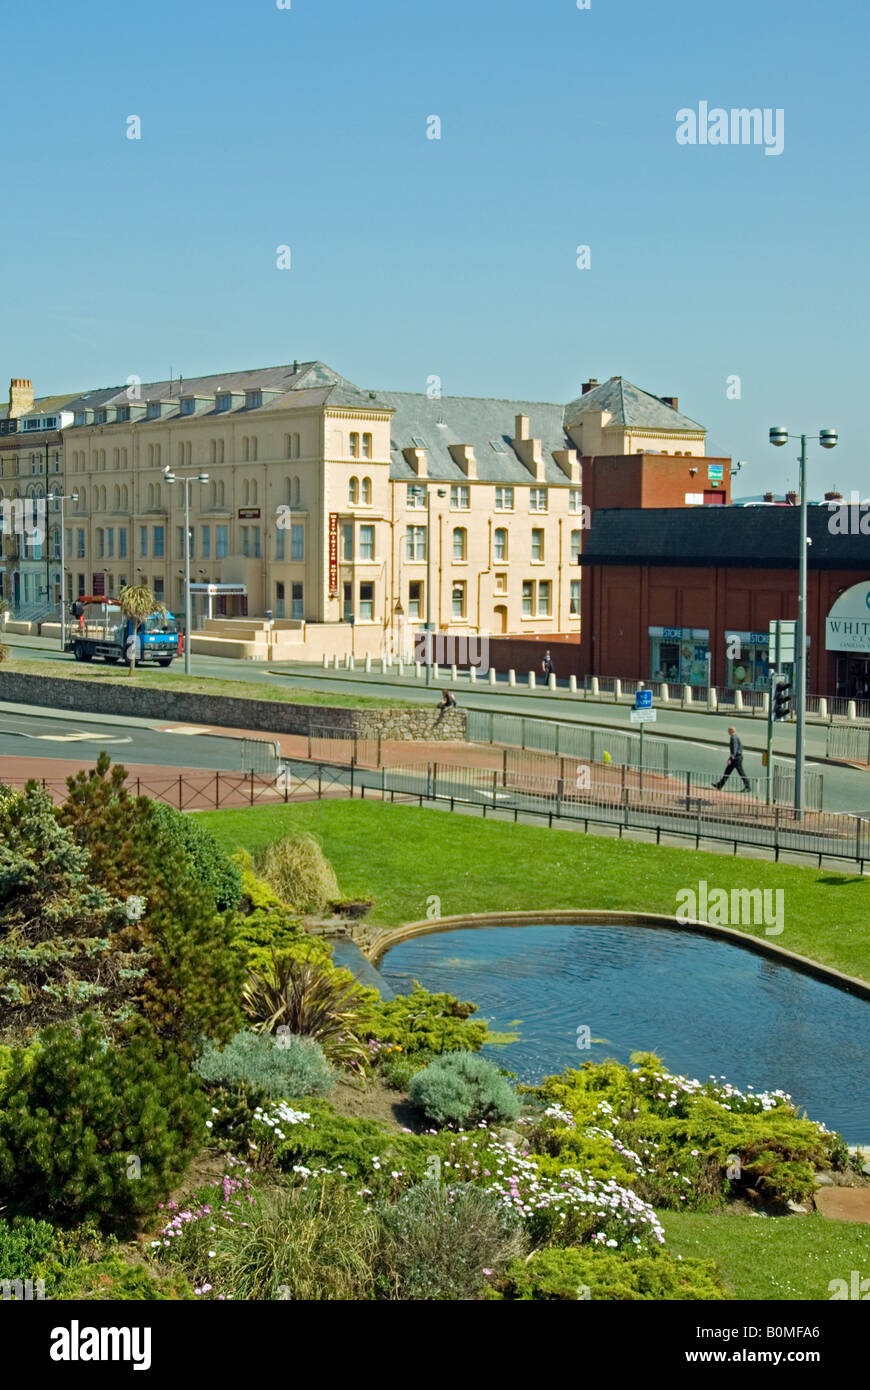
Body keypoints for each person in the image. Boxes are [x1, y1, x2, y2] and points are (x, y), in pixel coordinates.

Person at [714, 727, 750, 792]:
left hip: (736, 758)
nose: (728, 732)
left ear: (731, 731)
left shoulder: (733, 738)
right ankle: (719, 785)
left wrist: (731, 758)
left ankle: (748, 787)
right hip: (736, 757)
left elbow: (734, 749)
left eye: (728, 730)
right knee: (727, 771)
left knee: (741, 773)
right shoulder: (736, 737)